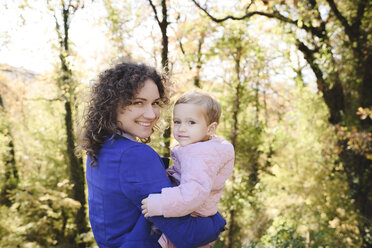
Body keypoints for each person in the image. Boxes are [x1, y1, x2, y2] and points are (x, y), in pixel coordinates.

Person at [79, 61, 226, 248]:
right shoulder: (134, 155)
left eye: (155, 103)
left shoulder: (99, 147)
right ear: (112, 104)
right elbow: (187, 234)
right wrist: (217, 222)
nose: (151, 114)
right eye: (138, 102)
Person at [141, 91, 235, 248]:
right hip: (194, 211)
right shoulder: (200, 148)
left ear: (210, 129)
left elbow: (193, 193)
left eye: (191, 122)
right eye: (177, 122)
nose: (182, 128)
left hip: (193, 214)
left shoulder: (200, 155)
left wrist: (160, 203)